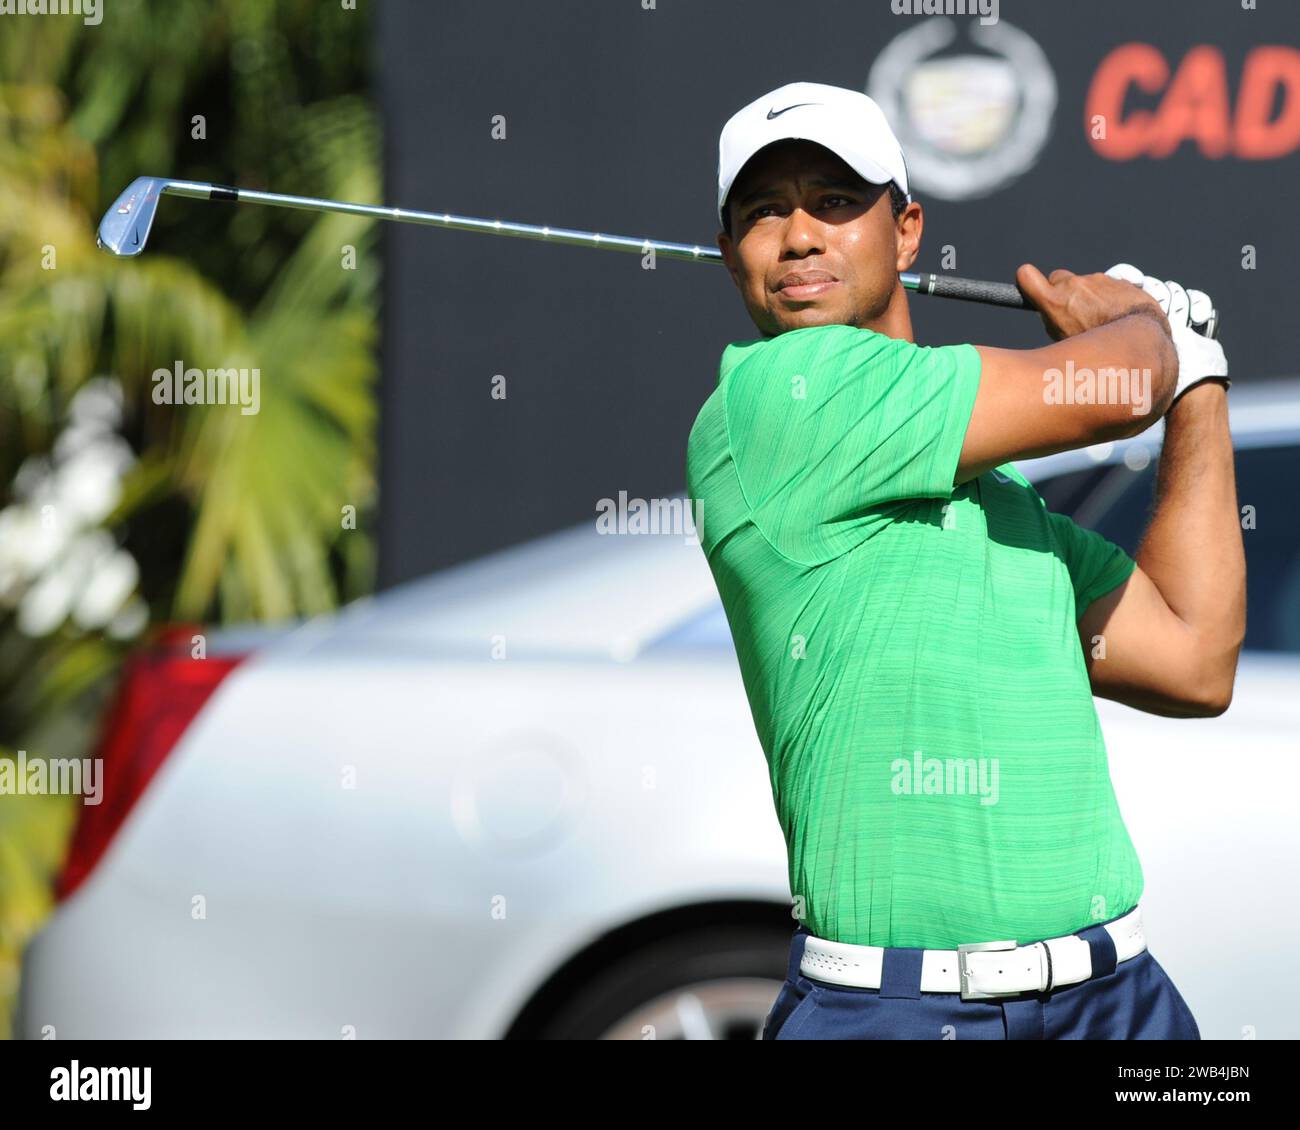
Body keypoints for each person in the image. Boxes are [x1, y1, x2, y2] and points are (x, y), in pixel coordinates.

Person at [684, 81, 1244, 1039]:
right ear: (733, 254)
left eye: (833, 201)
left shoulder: (1002, 498)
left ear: (906, 233)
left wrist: (1198, 384)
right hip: (896, 1008)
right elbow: (1113, 385)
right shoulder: (777, 398)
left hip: (1121, 997)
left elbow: (1194, 660)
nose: (800, 235)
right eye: (762, 213)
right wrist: (1150, 327)